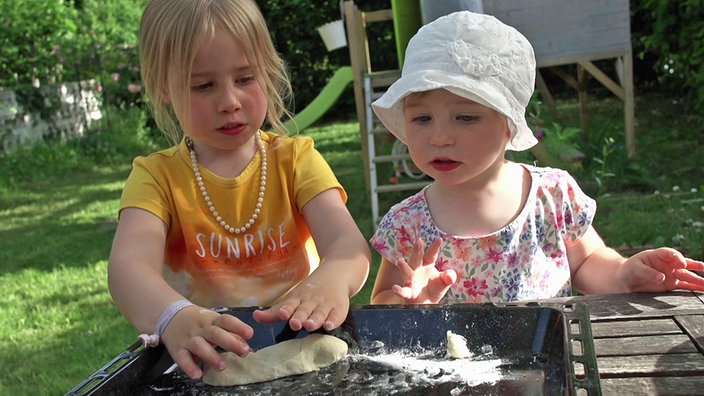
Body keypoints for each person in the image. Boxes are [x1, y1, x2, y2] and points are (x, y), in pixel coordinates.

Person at [107, 0, 370, 380]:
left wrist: (332, 279)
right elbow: (128, 269)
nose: (229, 102)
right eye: (203, 85)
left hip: (300, 343)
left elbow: (348, 247)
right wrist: (172, 316)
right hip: (200, 359)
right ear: (164, 87)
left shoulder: (296, 161)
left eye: (246, 78)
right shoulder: (156, 178)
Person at [369, 11, 704, 305]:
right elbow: (383, 297)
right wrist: (408, 305)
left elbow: (587, 263)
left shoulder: (552, 195)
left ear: (509, 127)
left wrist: (624, 274)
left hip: (548, 367)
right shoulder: (407, 224)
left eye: (466, 117)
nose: (440, 137)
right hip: (453, 372)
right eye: (422, 119)